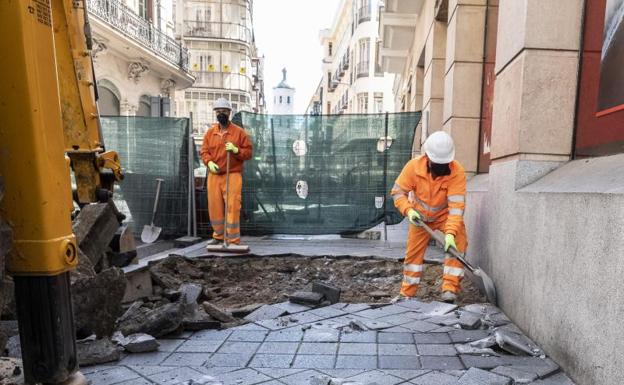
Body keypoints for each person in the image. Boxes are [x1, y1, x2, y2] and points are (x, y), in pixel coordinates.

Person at [391, 131, 467, 303]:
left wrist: (450, 233)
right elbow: (398, 192)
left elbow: (456, 208)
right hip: (419, 218)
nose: (442, 167)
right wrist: (408, 210)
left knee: (459, 242)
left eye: (445, 163)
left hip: (444, 217)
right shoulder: (413, 167)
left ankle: (450, 290)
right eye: (438, 163)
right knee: (413, 257)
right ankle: (407, 293)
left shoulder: (457, 172)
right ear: (427, 157)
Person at [200, 98, 253, 245]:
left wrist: (236, 150)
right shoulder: (210, 133)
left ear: (229, 113)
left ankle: (233, 239)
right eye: (218, 111)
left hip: (233, 174)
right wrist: (209, 162)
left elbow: (248, 153)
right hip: (215, 176)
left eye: (224, 111)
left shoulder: (239, 133)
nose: (221, 114)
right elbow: (204, 151)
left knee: (233, 206)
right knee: (214, 207)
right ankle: (218, 236)